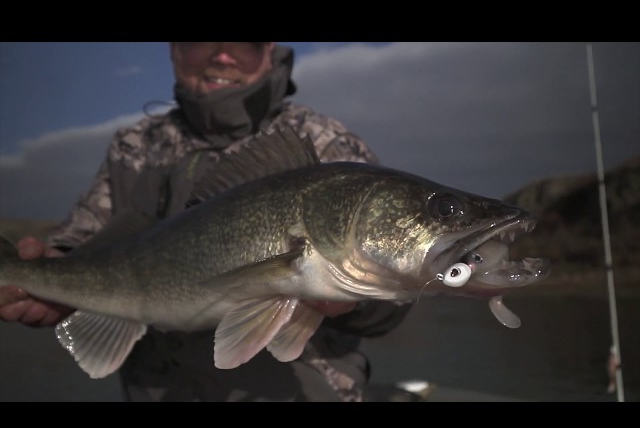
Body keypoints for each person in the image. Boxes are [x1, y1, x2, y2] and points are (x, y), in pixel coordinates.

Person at [0, 42, 411, 402]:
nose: (222, 54)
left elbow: (395, 298)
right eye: (200, 41)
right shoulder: (135, 146)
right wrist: (51, 274)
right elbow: (82, 240)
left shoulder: (325, 145)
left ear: (269, 49)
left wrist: (353, 301)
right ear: (173, 49)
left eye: (245, 43)